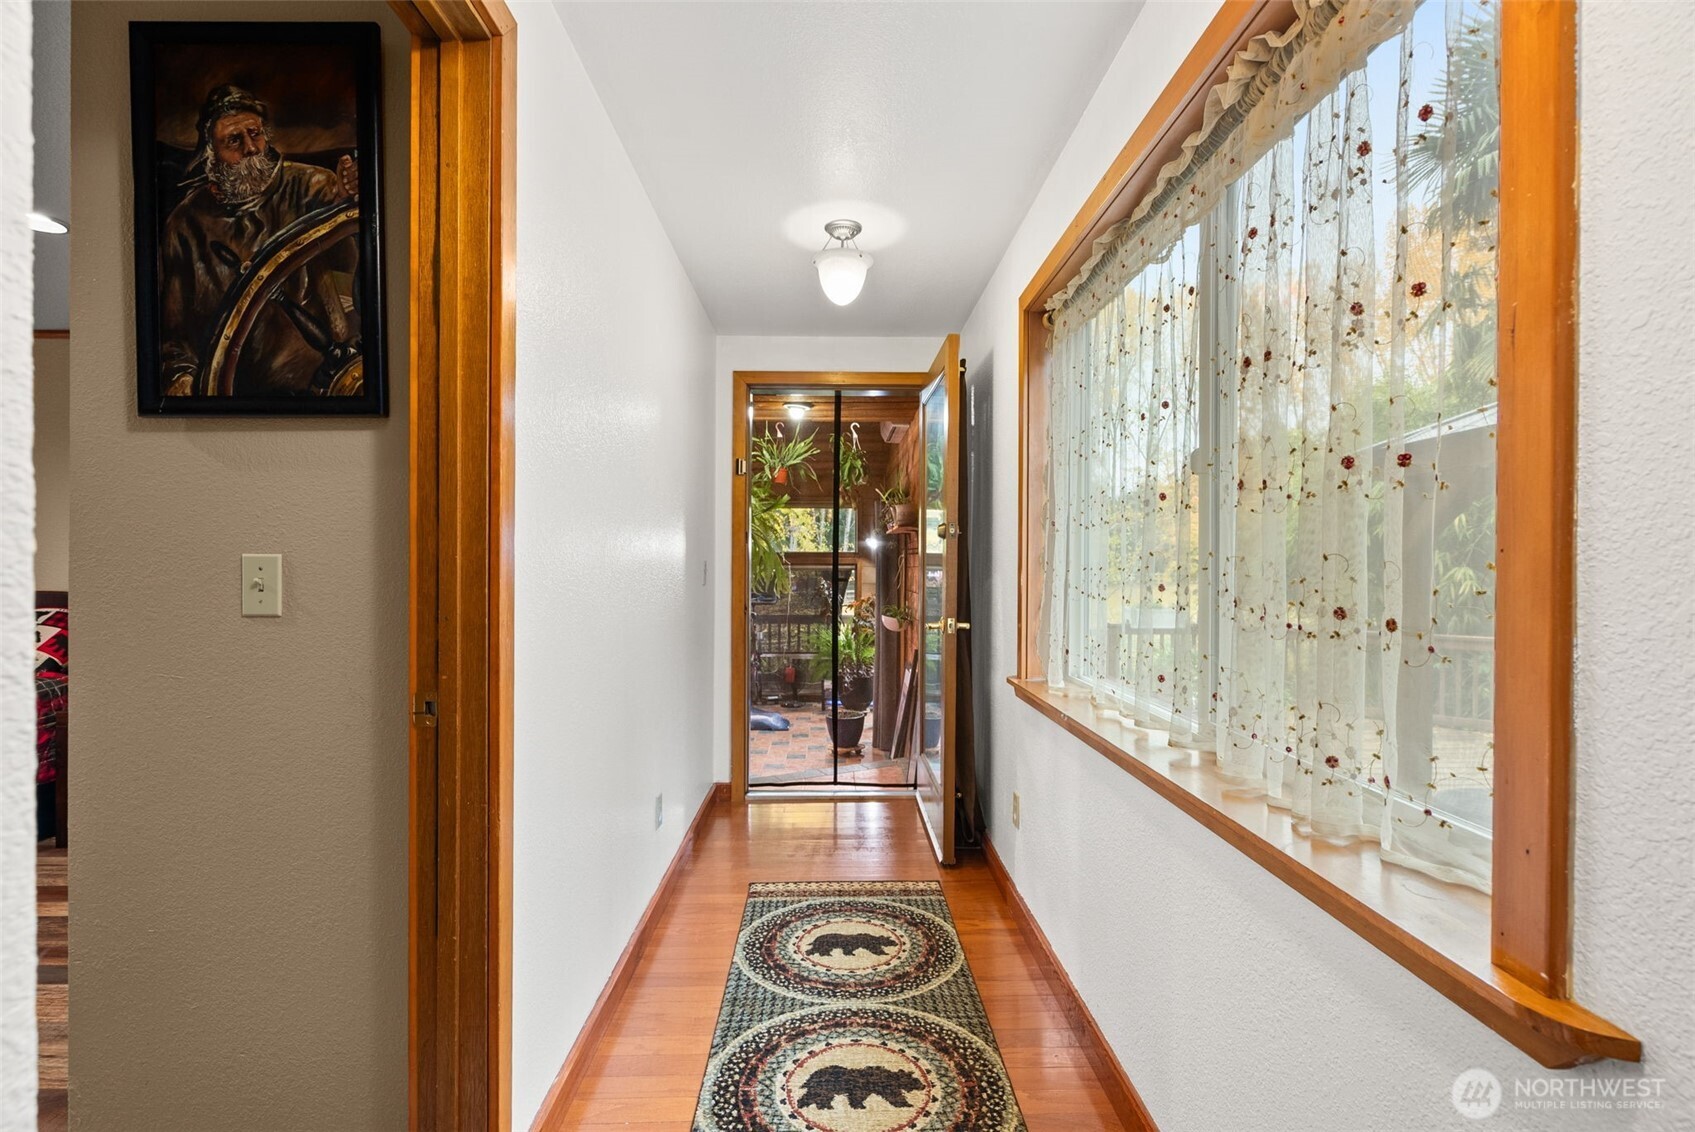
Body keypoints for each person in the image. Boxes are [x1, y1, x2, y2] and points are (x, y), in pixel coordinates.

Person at [157, 84, 361, 397]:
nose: (251, 148)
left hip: (323, 383)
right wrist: (181, 382)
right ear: (210, 151)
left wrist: (347, 201)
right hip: (239, 395)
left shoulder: (311, 185)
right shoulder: (185, 224)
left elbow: (349, 261)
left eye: (255, 134)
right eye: (234, 140)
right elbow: (175, 335)